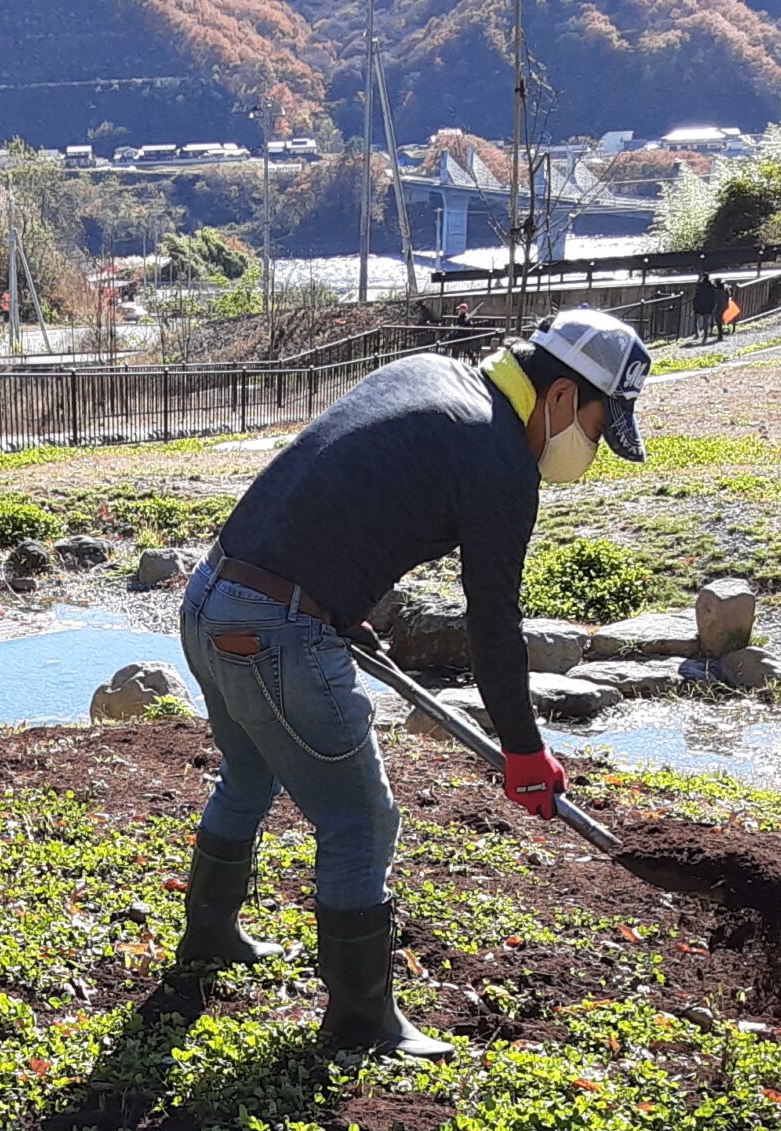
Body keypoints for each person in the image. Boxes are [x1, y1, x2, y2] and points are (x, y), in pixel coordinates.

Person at [173, 307, 652, 1060]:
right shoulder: (498, 459)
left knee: (251, 773)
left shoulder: (430, 376)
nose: (590, 449)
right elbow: (493, 627)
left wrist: (343, 609)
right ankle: (363, 1022)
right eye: (597, 427)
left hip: (212, 597)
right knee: (361, 820)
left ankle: (209, 938)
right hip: (275, 623)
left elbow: (343, 490)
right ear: (562, 398)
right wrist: (524, 751)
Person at [691, 269, 722, 344]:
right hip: (708, 306)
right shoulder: (711, 287)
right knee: (706, 321)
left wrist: (695, 305)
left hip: (700, 305)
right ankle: (705, 337)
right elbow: (713, 297)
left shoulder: (700, 286)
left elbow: (696, 296)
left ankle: (697, 333)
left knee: (696, 319)